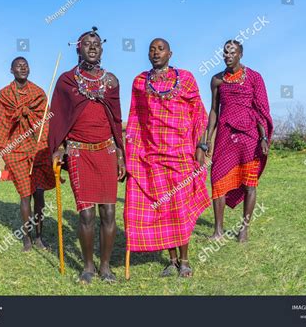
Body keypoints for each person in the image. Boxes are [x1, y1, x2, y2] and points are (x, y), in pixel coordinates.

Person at [124, 38, 211, 278]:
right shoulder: (140, 82)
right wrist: (131, 154)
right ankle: (171, 261)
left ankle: (184, 261)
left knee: (180, 208)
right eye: (151, 49)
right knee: (163, 208)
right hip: (152, 155)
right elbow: (135, 119)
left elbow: (199, 114)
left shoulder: (186, 79)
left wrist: (201, 146)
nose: (155, 53)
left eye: (160, 49)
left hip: (181, 154)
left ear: (170, 53)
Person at [48, 27, 125, 284]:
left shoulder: (112, 81)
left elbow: (116, 120)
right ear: (77, 48)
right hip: (79, 151)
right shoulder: (67, 82)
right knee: (86, 215)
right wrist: (58, 147)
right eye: (87, 43)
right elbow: (57, 118)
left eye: (97, 44)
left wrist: (121, 155)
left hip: (107, 150)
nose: (92, 47)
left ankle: (105, 267)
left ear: (102, 49)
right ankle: (88, 266)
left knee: (109, 213)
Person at [207, 40, 273, 242]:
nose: (227, 56)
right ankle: (218, 231)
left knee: (249, 183)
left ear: (240, 55)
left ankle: (244, 229)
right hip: (225, 136)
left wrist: (263, 137)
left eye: (232, 52)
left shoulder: (254, 77)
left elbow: (261, 110)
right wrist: (207, 138)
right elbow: (214, 110)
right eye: (225, 53)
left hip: (249, 137)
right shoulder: (217, 80)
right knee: (217, 179)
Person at [0, 56, 55, 251]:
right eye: (18, 66)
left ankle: (39, 236)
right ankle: (26, 238)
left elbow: (47, 120)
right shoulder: (4, 95)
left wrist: (43, 143)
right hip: (17, 148)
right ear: (11, 70)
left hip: (36, 147)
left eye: (25, 65)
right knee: (25, 194)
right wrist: (7, 149)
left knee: (39, 193)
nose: (23, 68)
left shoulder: (38, 93)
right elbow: (0, 123)